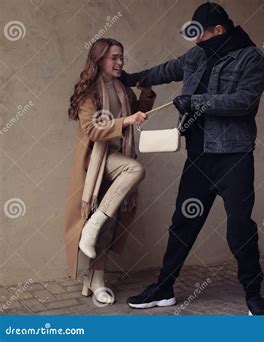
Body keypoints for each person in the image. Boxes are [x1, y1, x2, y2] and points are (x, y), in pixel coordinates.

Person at [121, 2, 264, 315]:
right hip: (199, 157)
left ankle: (254, 296)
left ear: (219, 30)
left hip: (234, 157)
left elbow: (244, 102)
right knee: (183, 225)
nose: (196, 42)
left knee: (240, 228)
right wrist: (131, 78)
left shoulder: (251, 57)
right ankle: (163, 289)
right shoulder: (198, 54)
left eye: (199, 34)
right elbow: (167, 70)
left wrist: (196, 101)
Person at [64, 38, 156, 305]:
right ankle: (91, 230)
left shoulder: (121, 88)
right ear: (99, 59)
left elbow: (136, 111)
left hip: (118, 156)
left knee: (107, 223)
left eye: (122, 57)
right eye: (114, 57)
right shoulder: (88, 92)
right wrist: (127, 120)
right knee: (134, 169)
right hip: (95, 161)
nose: (120, 62)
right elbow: (93, 129)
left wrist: (146, 94)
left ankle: (97, 281)